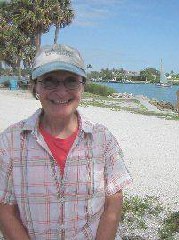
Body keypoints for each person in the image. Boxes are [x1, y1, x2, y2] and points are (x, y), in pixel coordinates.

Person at [0, 44, 132, 239]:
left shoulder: (102, 139)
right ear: (35, 86)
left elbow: (113, 199)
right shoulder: (10, 141)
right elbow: (5, 209)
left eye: (71, 81)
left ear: (82, 86)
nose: (61, 92)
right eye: (49, 81)